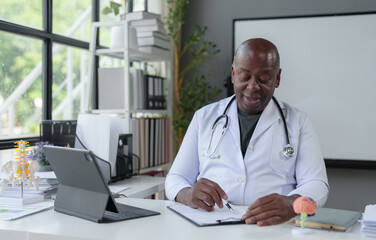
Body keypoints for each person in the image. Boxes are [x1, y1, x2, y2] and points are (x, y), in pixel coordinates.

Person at [165, 38, 329, 226]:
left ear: (277, 78)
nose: (253, 86)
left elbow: (317, 183)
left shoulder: (299, 122)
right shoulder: (204, 118)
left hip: (273, 228)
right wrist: (187, 194)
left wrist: (292, 204)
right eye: (244, 76)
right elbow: (176, 178)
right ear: (233, 74)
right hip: (211, 226)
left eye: (264, 78)